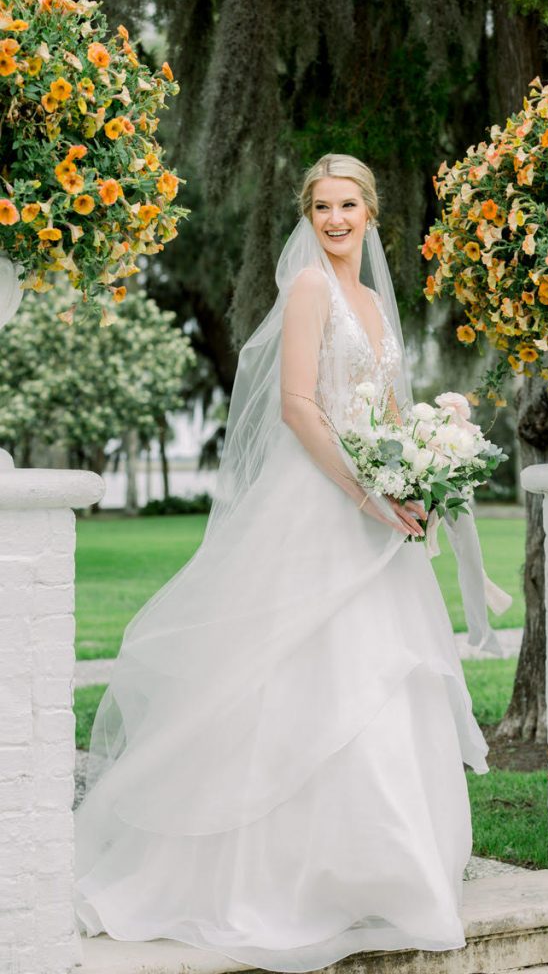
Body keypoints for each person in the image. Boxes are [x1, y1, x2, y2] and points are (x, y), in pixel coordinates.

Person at [74, 153, 507, 972]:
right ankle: (282, 882)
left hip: (376, 512)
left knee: (381, 679)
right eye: (320, 207)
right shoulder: (309, 289)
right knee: (299, 682)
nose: (334, 220)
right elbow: (297, 405)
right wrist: (362, 492)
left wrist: (414, 471)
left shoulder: (377, 304)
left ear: (371, 213)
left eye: (346, 205)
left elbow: (383, 412)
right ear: (308, 218)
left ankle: (388, 874)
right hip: (313, 504)